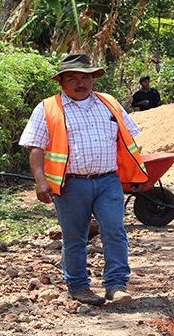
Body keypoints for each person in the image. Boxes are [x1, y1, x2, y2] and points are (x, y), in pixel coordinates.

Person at [19, 54, 149, 306]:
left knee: (114, 229)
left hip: (108, 180)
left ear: (93, 78)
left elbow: (128, 138)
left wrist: (133, 171)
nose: (81, 83)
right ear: (61, 82)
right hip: (71, 184)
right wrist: (41, 181)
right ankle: (78, 287)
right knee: (75, 236)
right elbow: (35, 148)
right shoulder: (47, 108)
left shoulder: (109, 103)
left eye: (86, 77)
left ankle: (116, 285)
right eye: (73, 78)